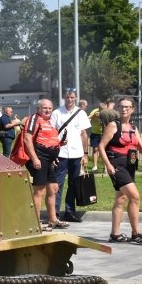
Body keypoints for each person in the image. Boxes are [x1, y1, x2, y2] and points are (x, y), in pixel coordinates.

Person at [98, 96, 142, 244]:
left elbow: (141, 149)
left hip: (130, 165)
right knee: (135, 197)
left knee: (121, 199)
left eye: (127, 107)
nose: (124, 109)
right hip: (117, 165)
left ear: (132, 109)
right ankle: (136, 233)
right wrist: (108, 165)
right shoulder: (113, 126)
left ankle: (114, 234)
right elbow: (101, 146)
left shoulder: (134, 128)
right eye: (121, 106)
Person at [22, 99, 67, 231]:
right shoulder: (34, 119)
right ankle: (35, 223)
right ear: (38, 109)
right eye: (44, 108)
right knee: (39, 191)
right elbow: (27, 138)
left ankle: (52, 219)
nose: (47, 111)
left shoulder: (48, 122)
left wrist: (58, 144)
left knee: (53, 188)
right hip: (39, 159)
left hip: (48, 161)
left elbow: (46, 139)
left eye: (50, 109)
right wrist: (35, 159)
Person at [51, 89, 91, 222]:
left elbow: (84, 134)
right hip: (61, 153)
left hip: (76, 153)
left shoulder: (81, 113)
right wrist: (53, 153)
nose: (70, 100)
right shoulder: (56, 113)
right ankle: (55, 213)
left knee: (74, 183)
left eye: (72, 97)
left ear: (76, 98)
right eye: (67, 97)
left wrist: (85, 154)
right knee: (58, 184)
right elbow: (52, 134)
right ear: (64, 97)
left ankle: (69, 212)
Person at [88, 99, 115, 171]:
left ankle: (105, 167)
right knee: (95, 149)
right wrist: (94, 116)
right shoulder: (95, 111)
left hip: (104, 133)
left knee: (104, 150)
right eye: (101, 110)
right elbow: (88, 119)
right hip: (95, 133)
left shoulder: (107, 113)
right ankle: (95, 165)